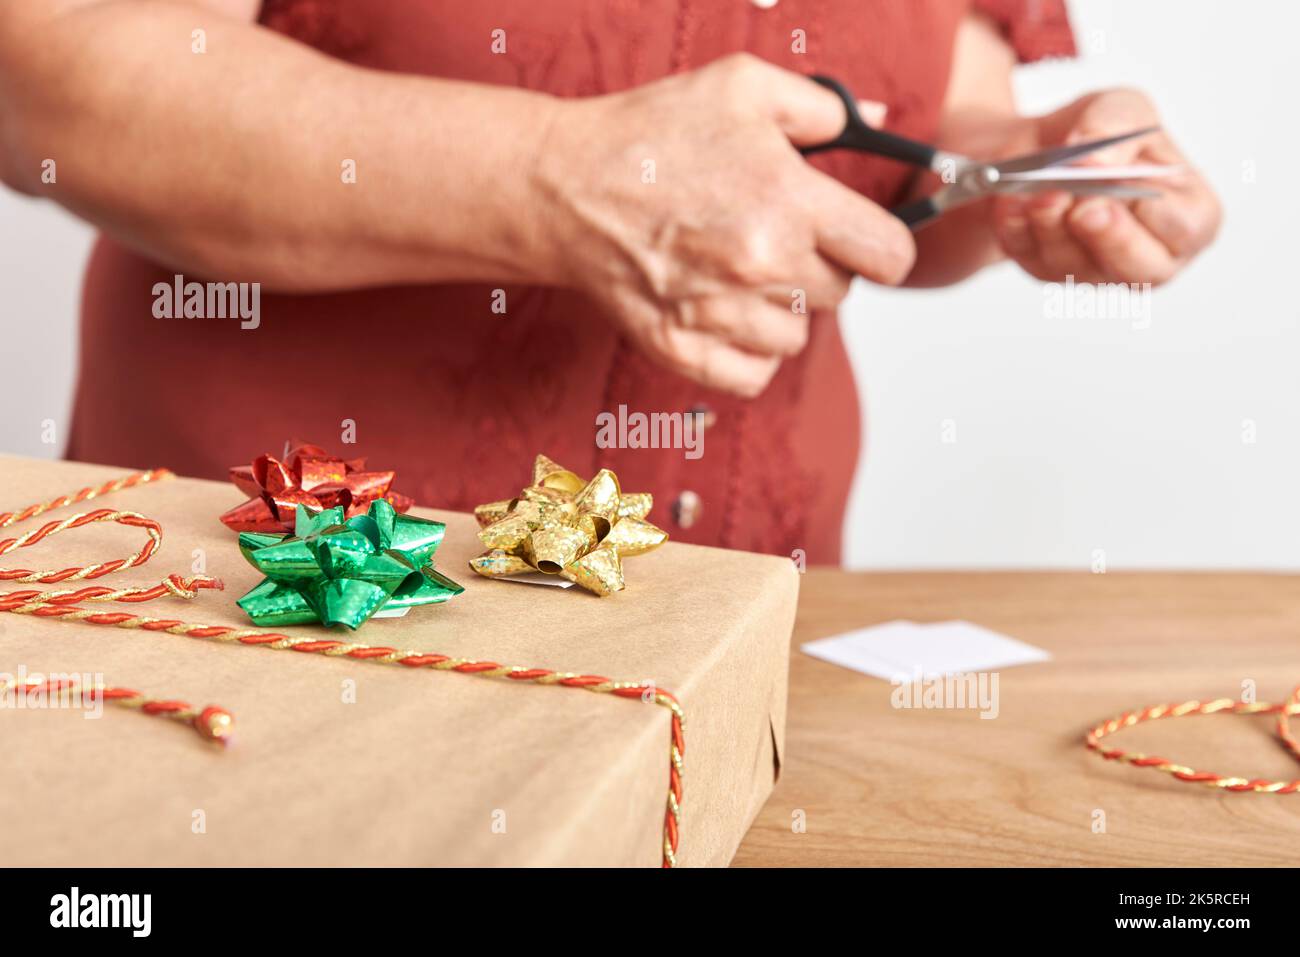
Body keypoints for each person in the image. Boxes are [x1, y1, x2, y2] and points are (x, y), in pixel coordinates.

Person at [0, 0, 1220, 563]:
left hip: (739, 641)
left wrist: (1024, 173)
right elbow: (45, 76)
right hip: (276, 614)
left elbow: (927, 140)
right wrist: (561, 178)